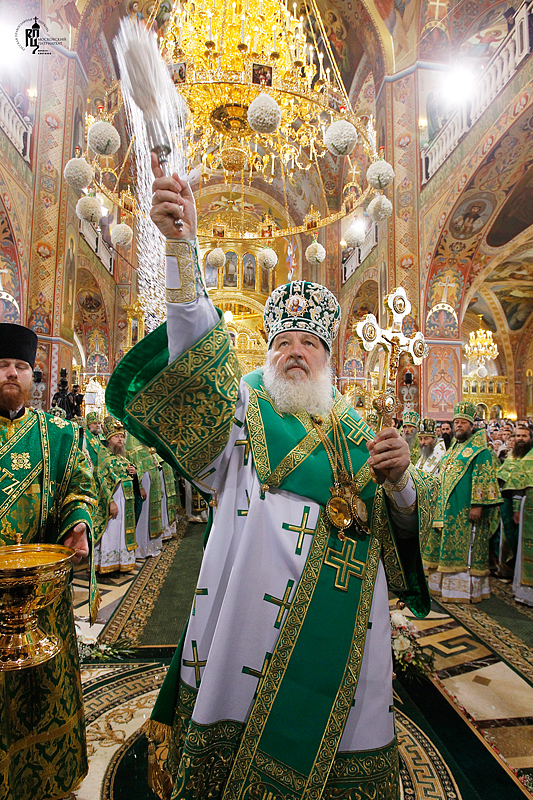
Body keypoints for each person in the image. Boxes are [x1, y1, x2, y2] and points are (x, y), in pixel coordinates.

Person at [105, 156, 437, 800]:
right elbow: (195, 347)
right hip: (245, 627)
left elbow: (396, 544)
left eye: (308, 343)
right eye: (283, 339)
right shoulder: (239, 413)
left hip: (343, 639)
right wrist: (181, 250)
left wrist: (400, 488)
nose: (293, 350)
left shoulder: (357, 429)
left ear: (328, 358)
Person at [0, 322, 97, 800]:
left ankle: (47, 781)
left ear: (33, 376)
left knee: (44, 692)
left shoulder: (57, 433)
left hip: (42, 596)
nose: (12, 375)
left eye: (20, 366)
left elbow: (80, 481)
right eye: (2, 366)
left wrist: (77, 522)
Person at [423, 401, 502, 603]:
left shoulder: (480, 450)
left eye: (463, 423)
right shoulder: (453, 449)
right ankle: (443, 588)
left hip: (465, 508)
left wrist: (477, 504)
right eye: (456, 422)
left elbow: (483, 478)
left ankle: (464, 590)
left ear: (471, 425)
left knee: (466, 547)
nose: (459, 426)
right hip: (446, 509)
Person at [93, 417, 143, 573]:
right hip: (115, 501)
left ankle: (123, 561)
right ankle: (107, 563)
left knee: (122, 529)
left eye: (122, 436)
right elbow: (101, 482)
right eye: (116, 437)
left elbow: (129, 475)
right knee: (112, 530)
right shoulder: (104, 459)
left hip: (126, 502)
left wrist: (135, 473)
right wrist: (110, 502)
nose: (120, 439)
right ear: (108, 440)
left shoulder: (122, 457)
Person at [499, 425, 533, 603]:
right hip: (519, 507)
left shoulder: (530, 458)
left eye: (524, 436)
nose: (520, 439)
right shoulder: (512, 457)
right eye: (518, 435)